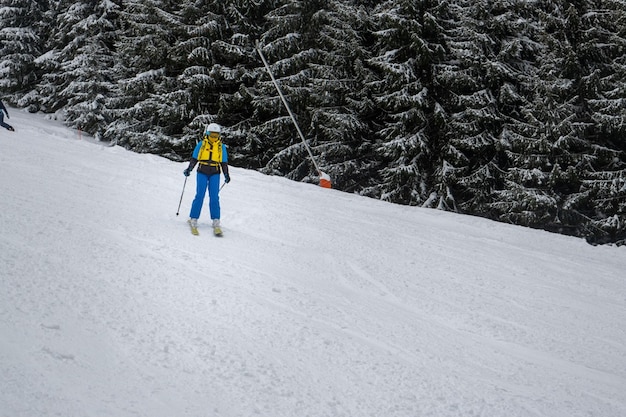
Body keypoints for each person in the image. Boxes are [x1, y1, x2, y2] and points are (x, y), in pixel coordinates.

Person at [184, 123, 230, 235]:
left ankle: (216, 220)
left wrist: (226, 175)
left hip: (215, 172)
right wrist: (189, 169)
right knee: (200, 195)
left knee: (214, 197)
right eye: (212, 135)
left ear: (219, 135)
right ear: (207, 134)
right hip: (202, 171)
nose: (214, 137)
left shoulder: (221, 147)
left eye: (216, 135)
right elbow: (194, 158)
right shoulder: (201, 144)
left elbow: (224, 162)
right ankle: (193, 218)